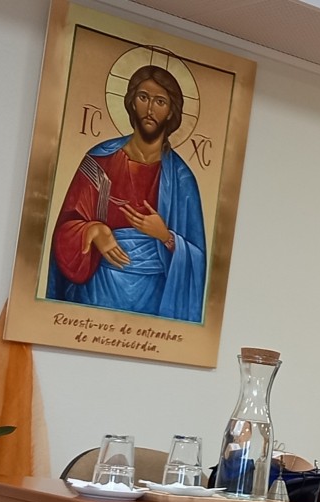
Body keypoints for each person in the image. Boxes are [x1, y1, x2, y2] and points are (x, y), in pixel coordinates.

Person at [47, 64, 207, 322]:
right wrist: (94, 231)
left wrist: (165, 236)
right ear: (132, 102)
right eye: (143, 97)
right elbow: (65, 230)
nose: (150, 109)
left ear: (171, 112)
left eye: (160, 101)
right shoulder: (100, 161)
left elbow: (198, 260)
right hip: (98, 294)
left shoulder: (182, 179)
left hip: (154, 301)